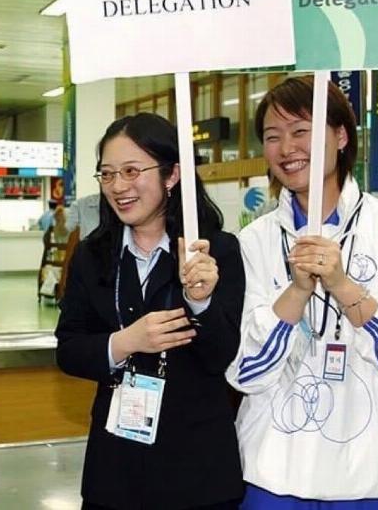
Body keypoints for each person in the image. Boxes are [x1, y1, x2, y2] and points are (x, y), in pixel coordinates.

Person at [226, 76, 378, 509]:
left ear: (340, 135)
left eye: (301, 132)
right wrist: (295, 294)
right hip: (273, 473)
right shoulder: (252, 242)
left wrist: (343, 286)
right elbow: (245, 369)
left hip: (372, 473)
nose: (287, 147)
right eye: (272, 137)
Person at [55, 113, 245, 510]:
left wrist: (200, 303)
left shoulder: (214, 251)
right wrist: (124, 342)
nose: (118, 186)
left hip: (197, 473)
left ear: (172, 174)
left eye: (130, 171)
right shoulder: (93, 255)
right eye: (107, 175)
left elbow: (221, 356)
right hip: (115, 469)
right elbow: (69, 349)